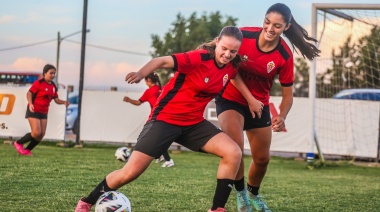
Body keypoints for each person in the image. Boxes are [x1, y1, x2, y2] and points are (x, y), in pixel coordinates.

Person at [75, 26, 249, 212]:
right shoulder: (198, 58)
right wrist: (141, 73)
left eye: (233, 51)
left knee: (233, 152)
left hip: (193, 124)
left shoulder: (231, 66)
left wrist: (251, 100)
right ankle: (86, 202)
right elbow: (161, 60)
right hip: (165, 119)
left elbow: (234, 76)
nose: (228, 54)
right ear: (217, 42)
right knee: (130, 172)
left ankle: (217, 209)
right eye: (224, 48)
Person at [216, 3, 321, 212]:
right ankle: (241, 195)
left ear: (286, 27)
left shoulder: (284, 55)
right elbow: (230, 69)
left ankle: (253, 193)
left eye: (277, 26)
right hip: (230, 98)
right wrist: (250, 99)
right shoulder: (243, 36)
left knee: (263, 159)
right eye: (267, 22)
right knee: (235, 150)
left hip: (259, 105)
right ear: (263, 20)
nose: (270, 29)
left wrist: (282, 115)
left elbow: (287, 95)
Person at [13, 64, 69, 156]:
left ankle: (27, 150)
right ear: (45, 73)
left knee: (41, 134)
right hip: (34, 110)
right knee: (36, 133)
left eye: (54, 73)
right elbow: (29, 94)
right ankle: (18, 143)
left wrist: (63, 102)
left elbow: (56, 99)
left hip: (44, 112)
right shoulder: (39, 83)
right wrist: (31, 104)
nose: (53, 75)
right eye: (51, 73)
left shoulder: (53, 86)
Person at [123, 72, 174, 168]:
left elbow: (138, 102)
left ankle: (168, 160)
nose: (145, 83)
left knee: (150, 138)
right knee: (158, 138)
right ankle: (162, 157)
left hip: (157, 118)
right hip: (167, 116)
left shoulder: (149, 91)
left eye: (145, 81)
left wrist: (129, 100)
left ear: (149, 80)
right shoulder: (161, 89)